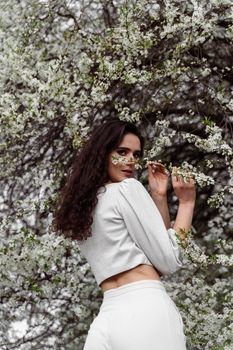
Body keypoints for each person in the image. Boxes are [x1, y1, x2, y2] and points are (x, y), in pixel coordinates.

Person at [53, 118, 196, 350]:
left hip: (114, 314)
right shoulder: (127, 190)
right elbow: (169, 260)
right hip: (141, 307)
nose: (130, 161)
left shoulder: (79, 209)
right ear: (103, 154)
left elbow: (156, 247)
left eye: (136, 155)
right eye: (122, 152)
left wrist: (158, 198)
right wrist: (187, 203)